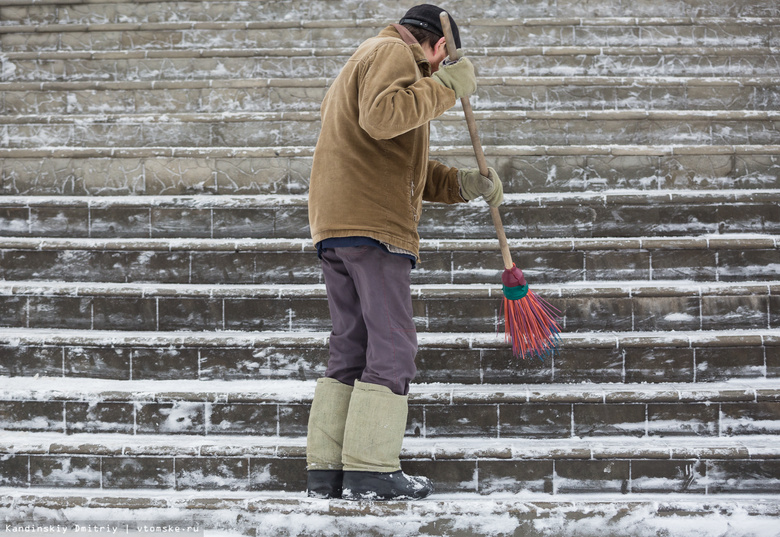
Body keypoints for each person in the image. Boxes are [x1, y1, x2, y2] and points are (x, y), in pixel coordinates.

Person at [305, 4, 504, 501]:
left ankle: (327, 470)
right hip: (374, 228)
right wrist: (446, 87)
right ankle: (371, 469)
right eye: (439, 64)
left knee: (351, 345)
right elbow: (384, 118)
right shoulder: (394, 53)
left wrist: (462, 183)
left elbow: (396, 159)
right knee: (392, 345)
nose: (435, 73)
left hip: (340, 225)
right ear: (439, 47)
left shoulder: (368, 57)